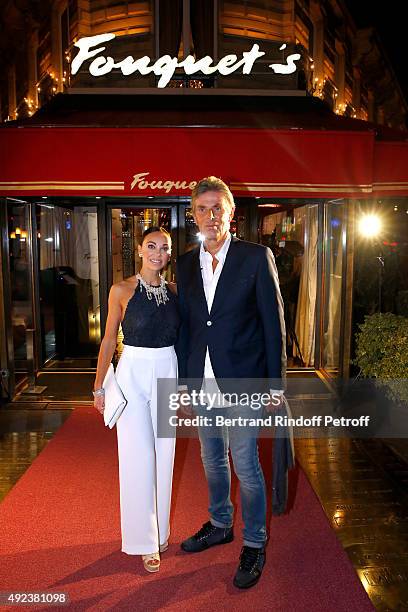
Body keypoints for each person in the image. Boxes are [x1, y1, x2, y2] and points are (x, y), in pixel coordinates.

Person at [176, 177, 286, 589]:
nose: (209, 215)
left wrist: (275, 383)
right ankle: (220, 522)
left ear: (231, 213)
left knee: (246, 463)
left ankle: (255, 542)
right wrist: (186, 383)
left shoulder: (257, 257)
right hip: (202, 378)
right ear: (194, 214)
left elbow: (273, 322)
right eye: (201, 209)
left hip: (245, 377)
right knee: (211, 458)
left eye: (216, 208)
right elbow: (189, 325)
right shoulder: (185, 263)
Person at [93, 226, 179, 573]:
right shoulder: (122, 289)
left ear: (169, 254)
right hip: (132, 372)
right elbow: (108, 338)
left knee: (165, 453)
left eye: (164, 248)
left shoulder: (176, 291)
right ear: (140, 250)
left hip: (168, 370)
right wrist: (98, 385)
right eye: (152, 246)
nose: (158, 253)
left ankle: (159, 534)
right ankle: (143, 541)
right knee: (138, 455)